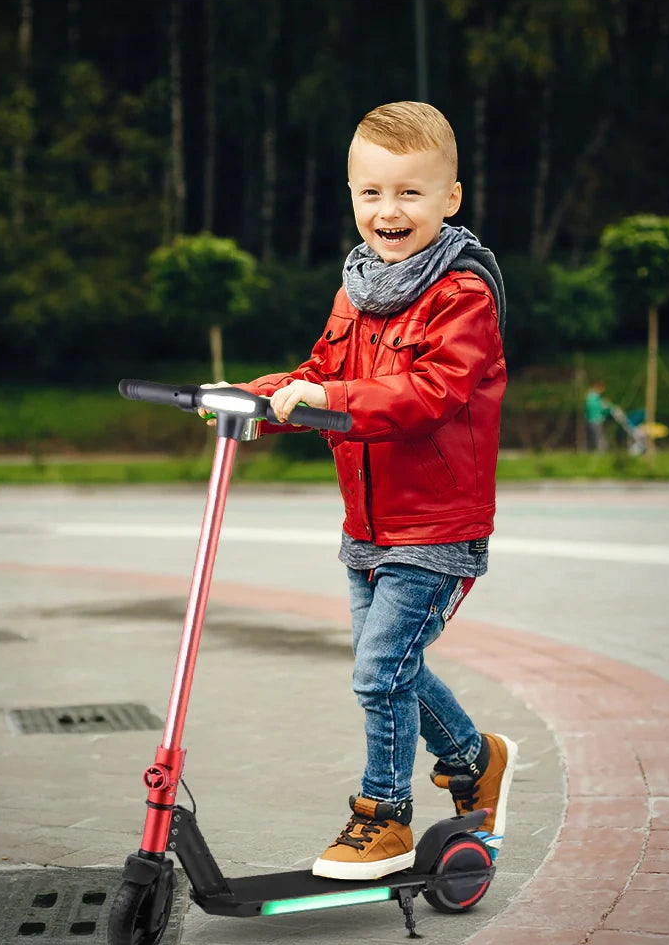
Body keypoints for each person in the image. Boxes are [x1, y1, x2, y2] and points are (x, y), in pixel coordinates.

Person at [210, 101, 517, 881]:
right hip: (368, 523)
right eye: (371, 192)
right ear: (351, 195)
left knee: (380, 671)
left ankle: (384, 817)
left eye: (410, 193)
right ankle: (474, 759)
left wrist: (327, 402)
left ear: (451, 197)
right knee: (390, 668)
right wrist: (253, 397)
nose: (388, 211)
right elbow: (319, 377)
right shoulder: (357, 289)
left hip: (438, 527)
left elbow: (426, 397)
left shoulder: (462, 294)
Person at [585, 380, 612, 452]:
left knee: (594, 436)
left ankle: (593, 450)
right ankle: (601, 451)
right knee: (598, 436)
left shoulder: (592, 397)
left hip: (592, 419)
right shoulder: (593, 397)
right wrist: (606, 407)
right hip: (596, 419)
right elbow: (597, 408)